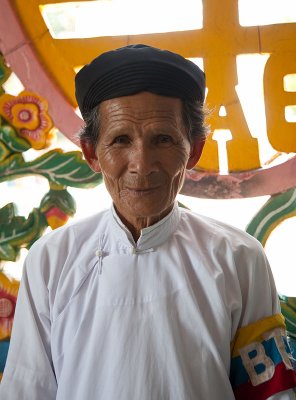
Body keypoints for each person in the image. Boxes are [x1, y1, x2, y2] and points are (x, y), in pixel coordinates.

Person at [0, 44, 295, 400]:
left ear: (194, 149)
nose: (142, 163)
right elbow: (28, 391)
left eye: (163, 139)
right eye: (120, 140)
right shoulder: (50, 260)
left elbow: (269, 393)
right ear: (92, 153)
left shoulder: (239, 258)